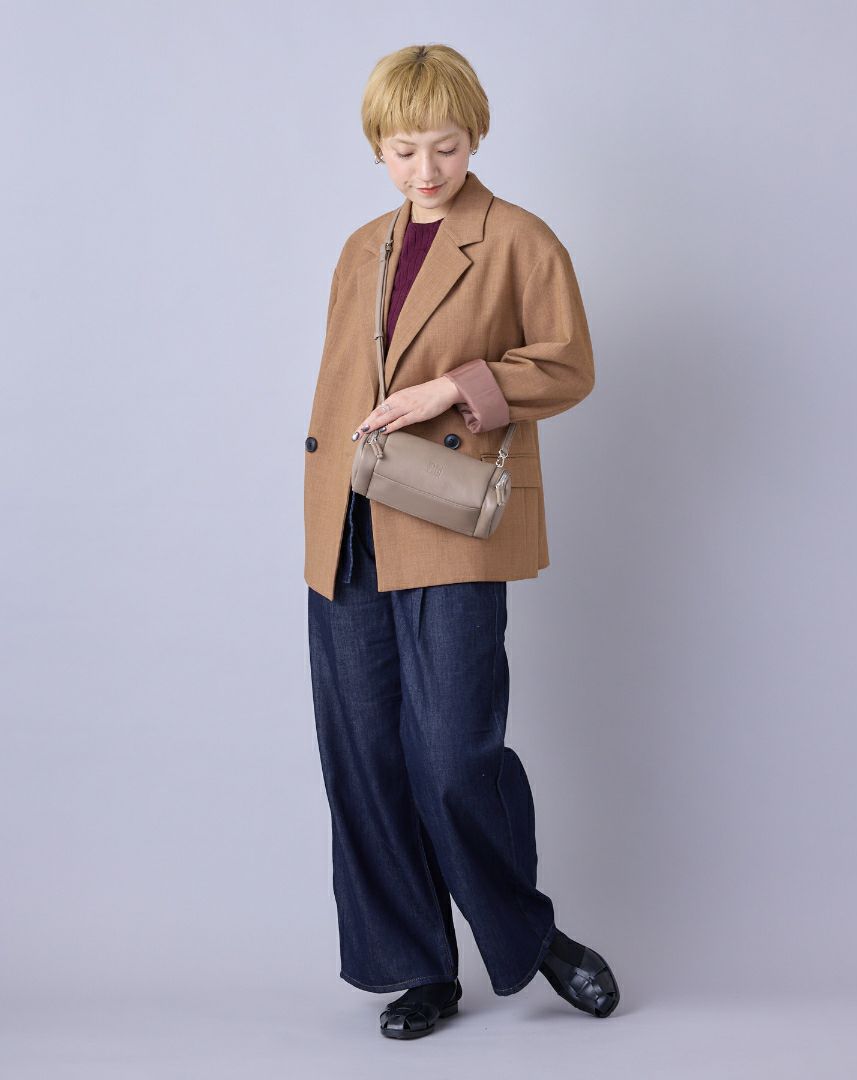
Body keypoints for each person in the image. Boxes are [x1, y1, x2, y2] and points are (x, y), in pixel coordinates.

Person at [304, 43, 620, 1040]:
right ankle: (419, 969)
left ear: (474, 136)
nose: (426, 169)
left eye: (444, 146)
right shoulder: (362, 248)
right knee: (366, 757)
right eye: (404, 150)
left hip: (449, 516)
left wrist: (454, 387)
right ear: (377, 148)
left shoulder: (519, 239)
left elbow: (568, 365)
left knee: (450, 751)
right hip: (350, 524)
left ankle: (533, 936)